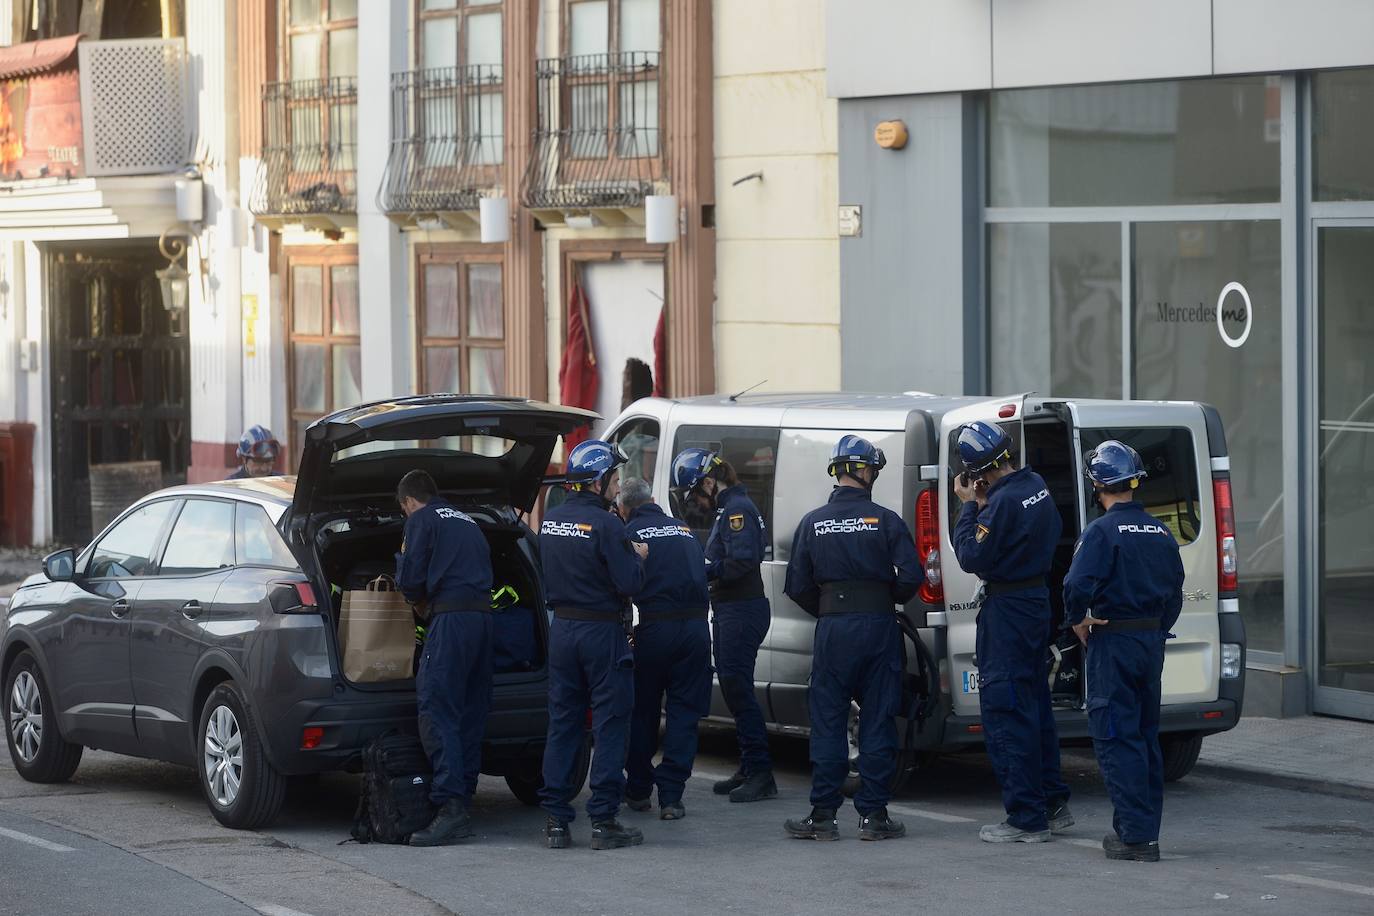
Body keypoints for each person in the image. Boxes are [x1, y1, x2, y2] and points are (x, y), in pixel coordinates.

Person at [782, 436, 921, 841]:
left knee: (828, 719)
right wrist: (881, 600)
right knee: (878, 717)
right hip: (878, 627)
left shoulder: (813, 522)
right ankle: (873, 817)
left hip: (834, 629)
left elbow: (797, 585)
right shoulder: (887, 520)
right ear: (865, 471)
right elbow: (911, 577)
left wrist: (831, 609)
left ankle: (823, 815)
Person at [950, 420, 1073, 844]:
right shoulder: (1033, 483)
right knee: (1035, 707)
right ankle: (1053, 803)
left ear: (976, 471)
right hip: (1036, 600)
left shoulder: (999, 503)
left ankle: (1025, 818)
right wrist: (987, 503)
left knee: (1006, 710)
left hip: (1008, 610)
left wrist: (969, 506)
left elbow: (970, 554)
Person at [1063, 440, 1184, 863]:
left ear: (1097, 485)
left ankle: (1134, 837)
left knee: (1116, 735)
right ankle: (1145, 830)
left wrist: (1077, 617)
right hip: (1150, 644)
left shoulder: (1100, 532)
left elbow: (1076, 586)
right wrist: (1153, 631)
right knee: (1144, 735)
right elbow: (1175, 594)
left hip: (1113, 642)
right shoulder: (1163, 531)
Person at [538, 439, 649, 850]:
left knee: (564, 724)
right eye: (615, 478)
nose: (618, 486)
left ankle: (555, 820)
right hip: (602, 634)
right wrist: (638, 556)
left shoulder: (550, 520)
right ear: (599, 480)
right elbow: (629, 584)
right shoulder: (607, 525)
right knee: (609, 724)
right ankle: (603, 820)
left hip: (563, 631)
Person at [394, 469, 494, 847]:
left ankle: (450, 808)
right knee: (470, 710)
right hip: (483, 622)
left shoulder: (420, 520)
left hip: (450, 623)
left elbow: (411, 580)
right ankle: (463, 799)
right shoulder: (470, 521)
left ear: (408, 502)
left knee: (437, 708)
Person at [671, 447, 776, 803]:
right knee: (735, 689)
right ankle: (750, 765)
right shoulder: (729, 508)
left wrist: (703, 571)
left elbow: (742, 562)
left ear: (709, 482)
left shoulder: (736, 510)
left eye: (695, 492)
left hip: (741, 610)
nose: (694, 501)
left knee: (738, 689)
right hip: (734, 609)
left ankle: (760, 772)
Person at [618, 477, 713, 821]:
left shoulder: (629, 533)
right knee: (684, 714)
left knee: (643, 712)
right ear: (653, 499)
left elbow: (624, 583)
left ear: (624, 509)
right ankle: (672, 797)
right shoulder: (684, 530)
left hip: (656, 630)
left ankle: (639, 790)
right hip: (697, 630)